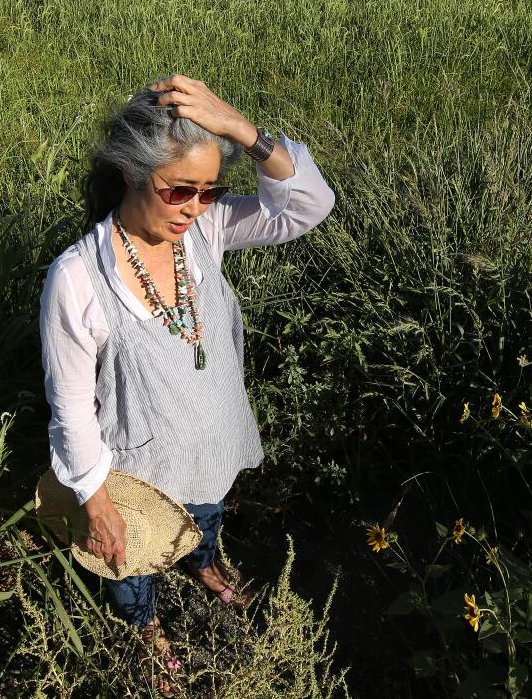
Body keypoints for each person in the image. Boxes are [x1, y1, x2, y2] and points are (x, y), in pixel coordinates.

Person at [38, 74, 336, 694]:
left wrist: (241, 131)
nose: (196, 208)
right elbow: (70, 408)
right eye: (178, 192)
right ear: (129, 173)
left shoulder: (206, 231)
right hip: (137, 473)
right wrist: (95, 500)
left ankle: (204, 564)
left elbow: (308, 205)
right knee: (130, 562)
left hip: (208, 441)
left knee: (206, 516)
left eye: (209, 190)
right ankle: (145, 625)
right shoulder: (77, 279)